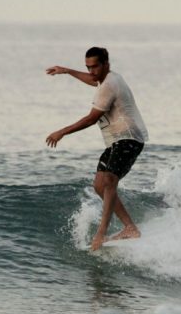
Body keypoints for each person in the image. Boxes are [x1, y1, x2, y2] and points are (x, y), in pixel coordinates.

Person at [45, 47, 149, 251]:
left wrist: (62, 132)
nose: (91, 71)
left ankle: (101, 233)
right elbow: (94, 80)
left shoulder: (110, 85)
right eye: (88, 67)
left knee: (109, 181)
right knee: (99, 185)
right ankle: (130, 228)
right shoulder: (108, 78)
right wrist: (67, 70)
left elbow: (92, 118)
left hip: (128, 138)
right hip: (116, 141)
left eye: (95, 67)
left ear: (106, 64)